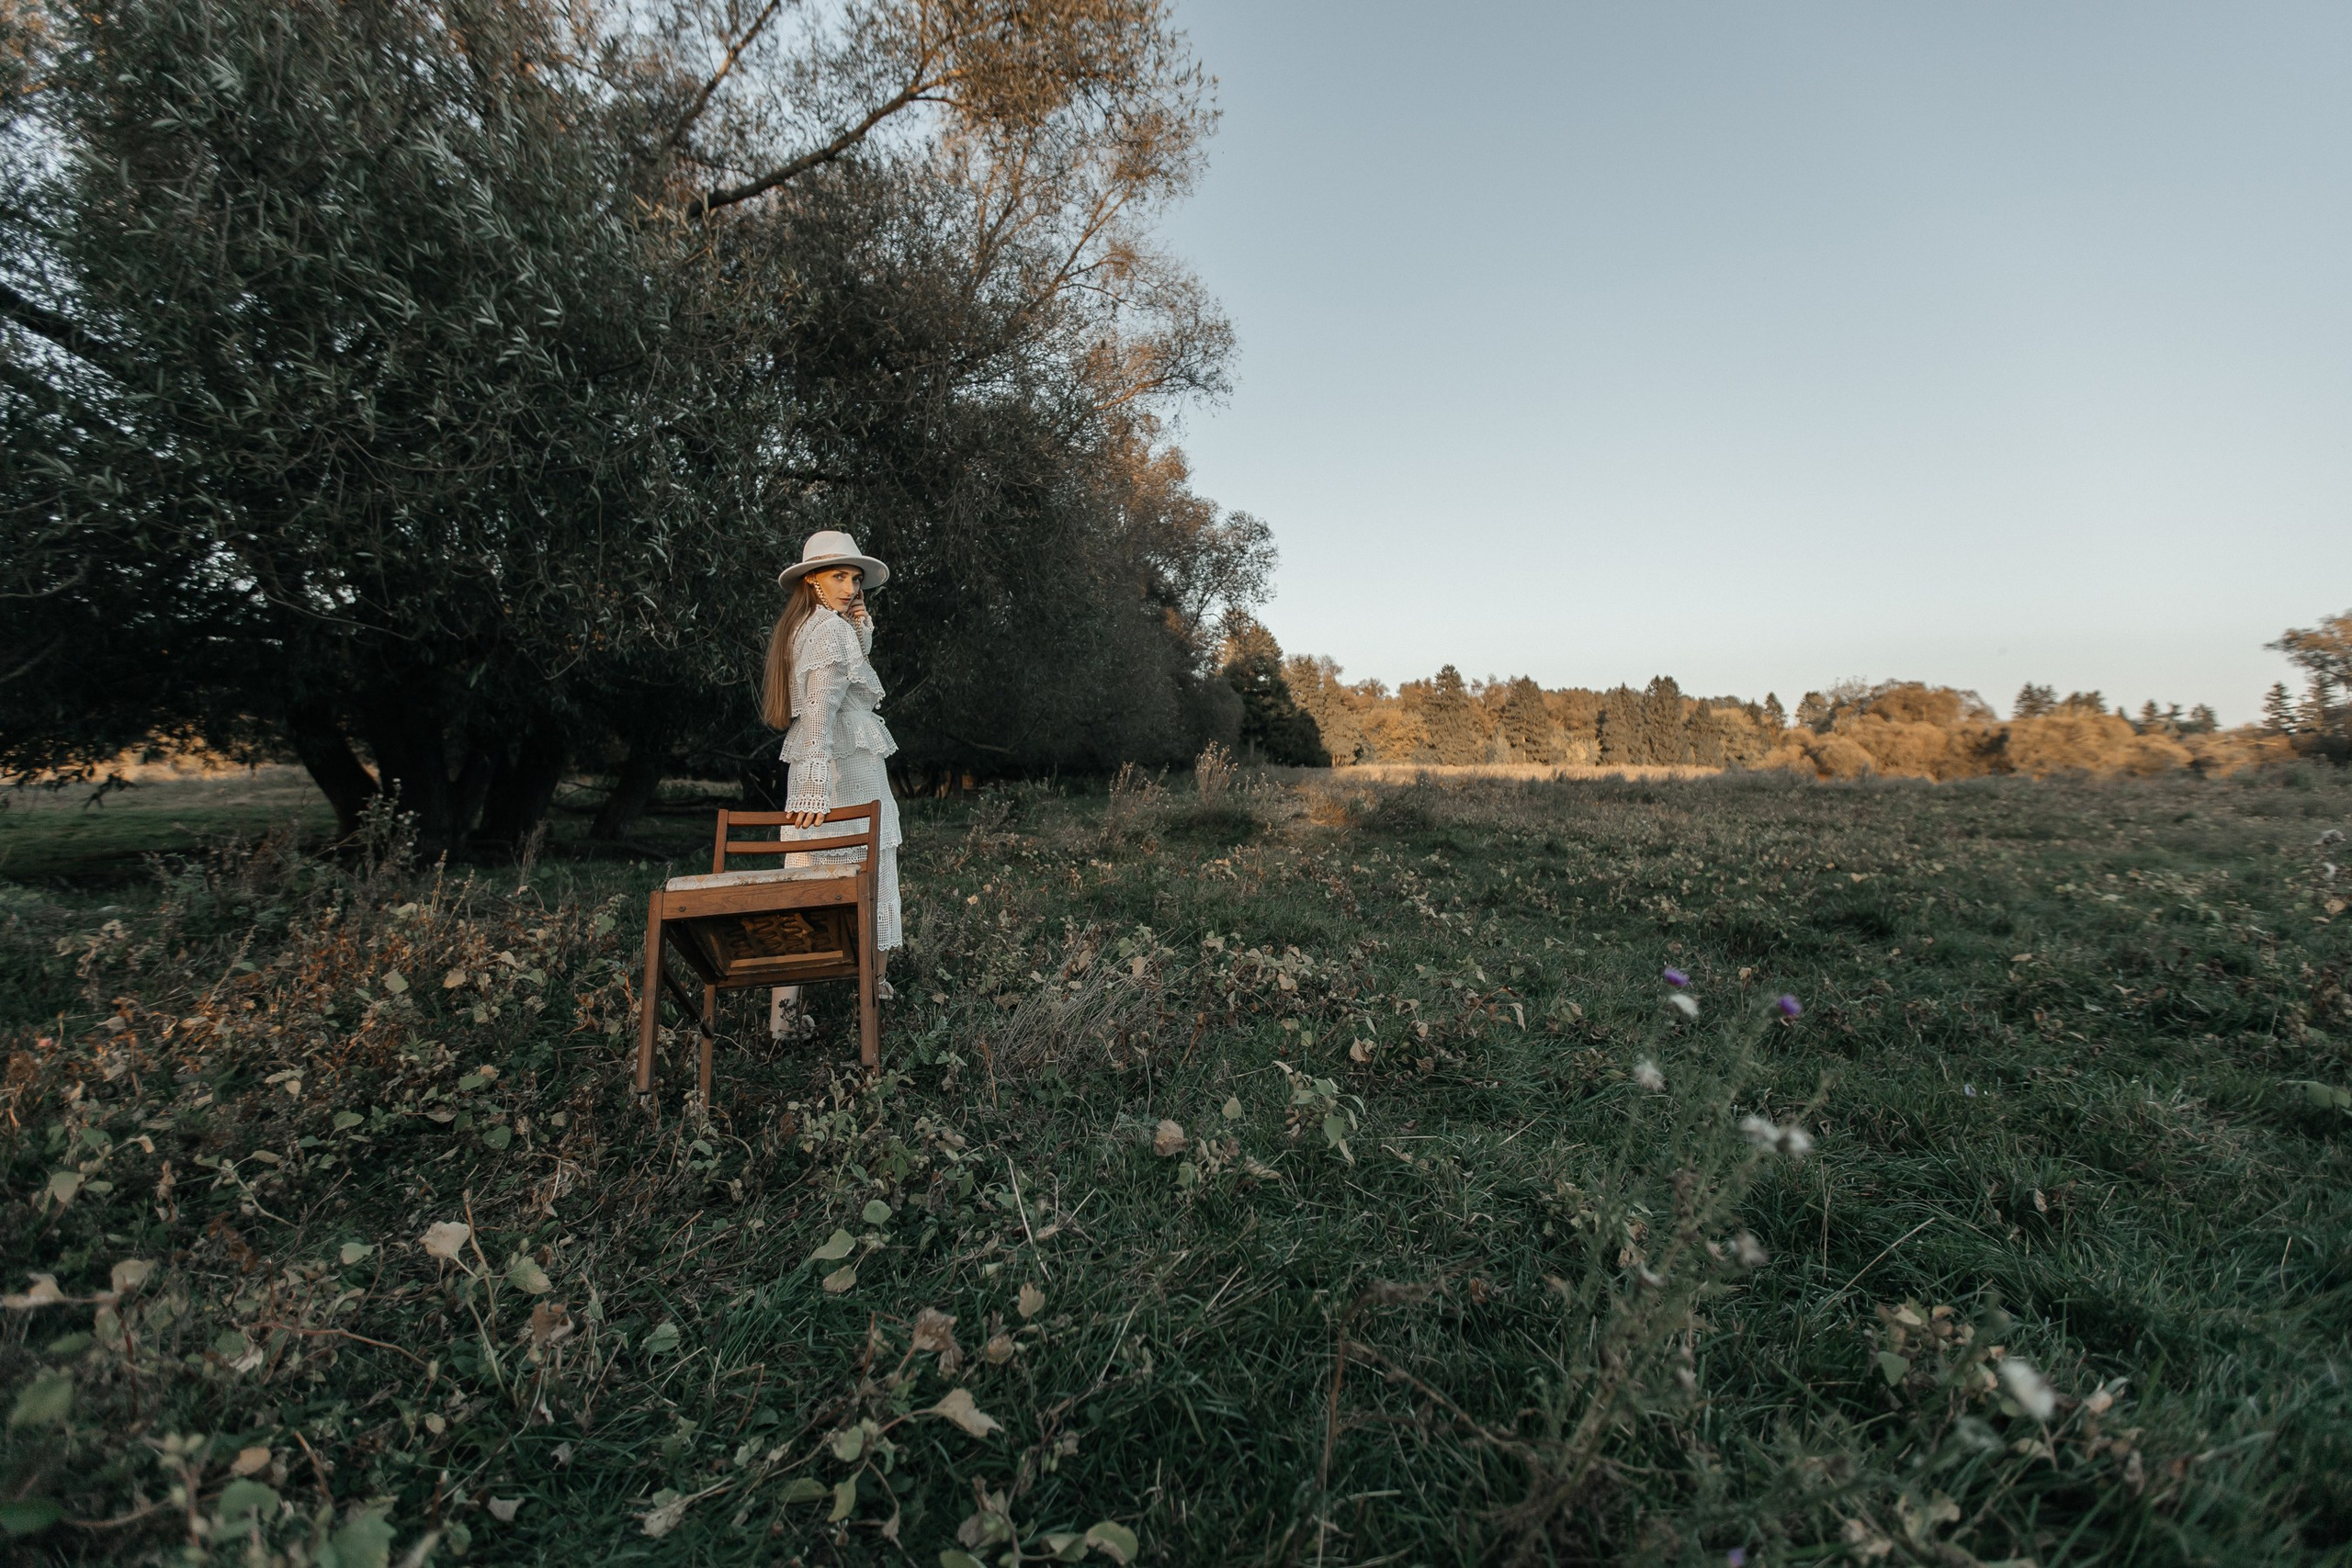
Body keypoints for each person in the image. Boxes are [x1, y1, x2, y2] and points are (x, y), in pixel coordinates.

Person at [759, 530, 901, 1037]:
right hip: (842, 775)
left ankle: (783, 1019)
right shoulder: (830, 632)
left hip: (825, 771)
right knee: (870, 876)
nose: (849, 587)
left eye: (855, 578)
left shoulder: (805, 628)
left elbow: (835, 688)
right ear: (811, 580)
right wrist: (818, 786)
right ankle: (874, 999)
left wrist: (859, 629)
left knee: (804, 883)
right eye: (838, 575)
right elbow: (820, 710)